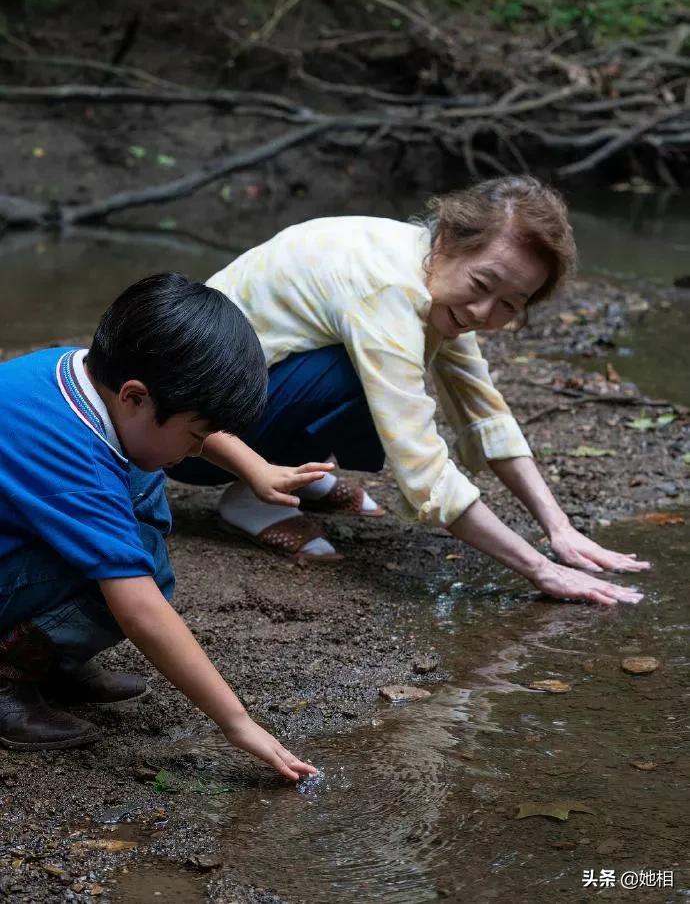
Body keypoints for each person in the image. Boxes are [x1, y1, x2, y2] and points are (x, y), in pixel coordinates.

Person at [170, 177, 649, 606]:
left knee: (371, 366)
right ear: (446, 241)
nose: (484, 312)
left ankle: (296, 467)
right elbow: (421, 466)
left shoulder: (428, 271)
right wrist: (541, 570)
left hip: (237, 399)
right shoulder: (389, 291)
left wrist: (559, 527)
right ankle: (254, 495)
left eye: (510, 304)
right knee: (360, 375)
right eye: (482, 284)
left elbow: (483, 412)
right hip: (188, 438)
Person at [0, 272, 321, 780]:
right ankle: (8, 674)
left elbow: (182, 416)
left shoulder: (77, 373)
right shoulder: (74, 459)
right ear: (133, 397)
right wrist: (237, 723)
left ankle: (51, 660)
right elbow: (141, 610)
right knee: (142, 566)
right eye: (195, 437)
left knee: (140, 480)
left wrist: (255, 469)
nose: (199, 448)